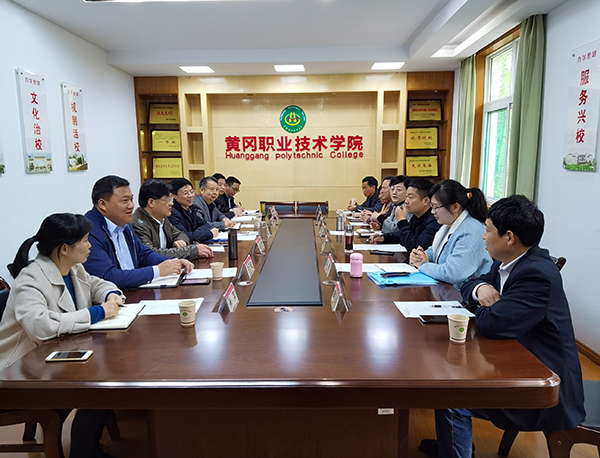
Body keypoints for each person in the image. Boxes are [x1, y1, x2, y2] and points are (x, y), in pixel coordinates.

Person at [420, 195, 585, 458]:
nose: (483, 236)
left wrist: (483, 304)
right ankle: (451, 446)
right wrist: (481, 289)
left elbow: (492, 324)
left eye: (487, 230)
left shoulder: (536, 274)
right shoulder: (507, 260)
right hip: (517, 360)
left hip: (543, 385)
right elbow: (470, 284)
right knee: (446, 379)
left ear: (509, 237)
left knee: (451, 398)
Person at [0, 213, 123, 458]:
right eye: (85, 240)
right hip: (19, 371)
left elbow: (96, 284)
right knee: (100, 383)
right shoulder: (31, 279)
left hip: (54, 355)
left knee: (113, 371)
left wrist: (111, 294)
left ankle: (87, 446)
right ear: (64, 248)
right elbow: (41, 325)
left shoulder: (73, 268)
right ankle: (84, 451)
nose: (90, 245)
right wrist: (97, 312)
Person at [84, 175, 193, 290]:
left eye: (131, 200)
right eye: (124, 201)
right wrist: (157, 271)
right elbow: (107, 276)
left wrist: (173, 262)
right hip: (113, 296)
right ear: (103, 204)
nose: (131, 206)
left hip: (134, 289)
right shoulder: (89, 232)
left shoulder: (123, 223)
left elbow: (143, 254)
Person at [410, 180, 491, 290]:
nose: (432, 212)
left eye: (436, 207)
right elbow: (437, 251)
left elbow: (451, 273)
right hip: (447, 290)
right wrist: (422, 255)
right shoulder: (448, 225)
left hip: (465, 295)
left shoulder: (470, 231)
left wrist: (423, 265)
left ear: (455, 207)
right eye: (431, 206)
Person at [132, 179, 214, 260]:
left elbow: (181, 234)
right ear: (151, 202)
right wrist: (192, 251)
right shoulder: (139, 224)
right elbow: (151, 254)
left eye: (171, 199)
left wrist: (180, 240)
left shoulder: (162, 218)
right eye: (168, 200)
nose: (171, 203)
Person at [372, 178, 440, 252]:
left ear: (426, 201)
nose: (406, 201)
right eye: (406, 196)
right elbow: (404, 237)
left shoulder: (434, 221)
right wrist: (385, 238)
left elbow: (415, 248)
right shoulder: (416, 217)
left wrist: (402, 221)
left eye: (410, 197)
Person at [169, 177, 220, 243]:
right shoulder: (172, 213)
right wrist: (209, 234)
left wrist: (197, 233)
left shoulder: (191, 209)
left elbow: (205, 224)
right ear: (174, 196)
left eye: (191, 192)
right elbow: (184, 236)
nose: (190, 195)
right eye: (185, 193)